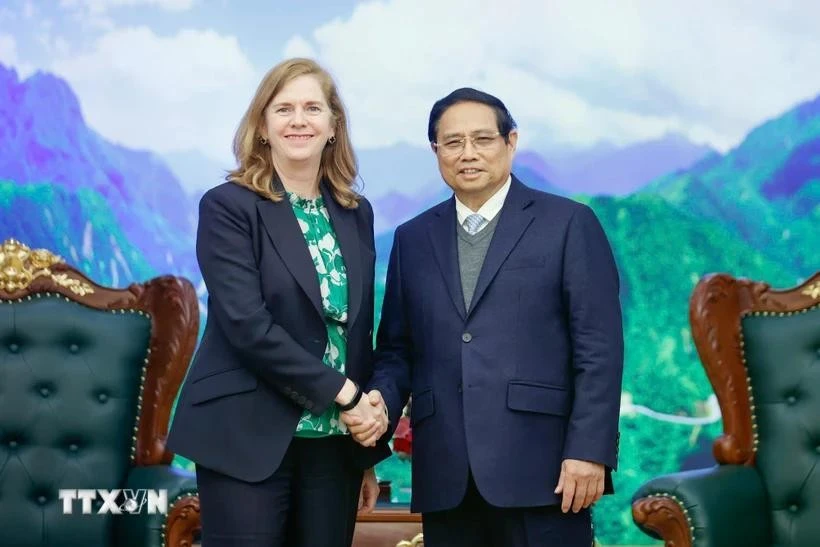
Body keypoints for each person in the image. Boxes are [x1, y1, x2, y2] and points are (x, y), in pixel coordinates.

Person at [347, 88, 624, 547]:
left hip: (546, 472)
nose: (468, 153)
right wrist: (372, 430)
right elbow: (397, 351)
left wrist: (589, 452)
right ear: (436, 151)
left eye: (482, 139)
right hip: (446, 476)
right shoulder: (413, 238)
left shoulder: (569, 223)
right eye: (452, 142)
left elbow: (599, 348)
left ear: (510, 142)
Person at [167, 57, 390, 547]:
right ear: (262, 127)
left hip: (334, 445)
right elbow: (248, 326)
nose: (298, 120)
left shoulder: (356, 214)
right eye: (283, 108)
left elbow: (357, 333)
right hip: (246, 433)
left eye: (313, 107)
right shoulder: (228, 207)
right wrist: (346, 394)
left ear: (333, 126)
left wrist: (365, 454)